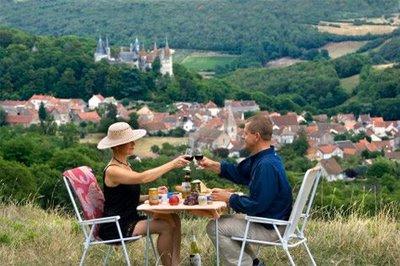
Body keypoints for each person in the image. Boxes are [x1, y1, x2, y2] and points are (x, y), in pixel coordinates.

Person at [198, 114, 293, 266]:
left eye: (245, 133)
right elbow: (240, 173)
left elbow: (257, 205)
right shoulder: (265, 158)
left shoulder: (265, 165)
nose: (242, 137)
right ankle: (254, 263)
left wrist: (229, 198)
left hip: (272, 228)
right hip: (272, 221)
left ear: (256, 136)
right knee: (223, 220)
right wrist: (213, 165)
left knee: (215, 227)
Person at [97, 122, 189, 266]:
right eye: (128, 141)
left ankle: (175, 263)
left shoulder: (126, 165)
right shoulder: (113, 170)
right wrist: (172, 164)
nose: (133, 143)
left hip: (128, 218)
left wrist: (152, 195)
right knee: (165, 227)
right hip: (116, 225)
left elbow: (126, 198)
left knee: (174, 218)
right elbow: (143, 178)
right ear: (116, 146)